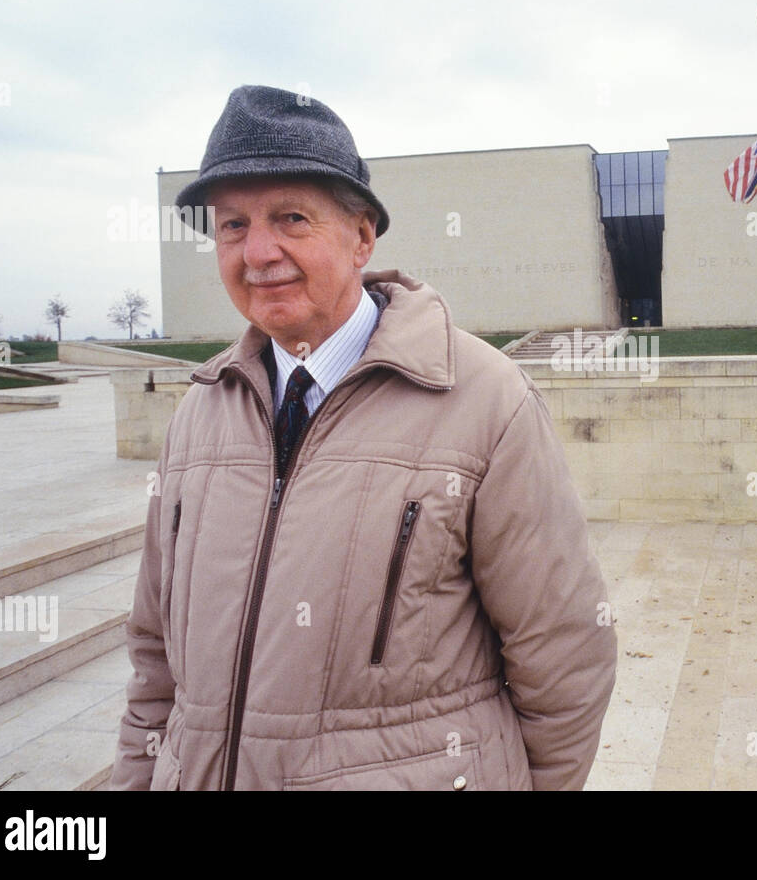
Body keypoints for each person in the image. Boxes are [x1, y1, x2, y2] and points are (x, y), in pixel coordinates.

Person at [111, 84, 617, 790]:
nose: (258, 252)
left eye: (291, 217)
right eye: (233, 225)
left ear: (361, 237)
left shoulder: (485, 402)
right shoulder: (199, 415)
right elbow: (154, 660)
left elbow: (566, 656)